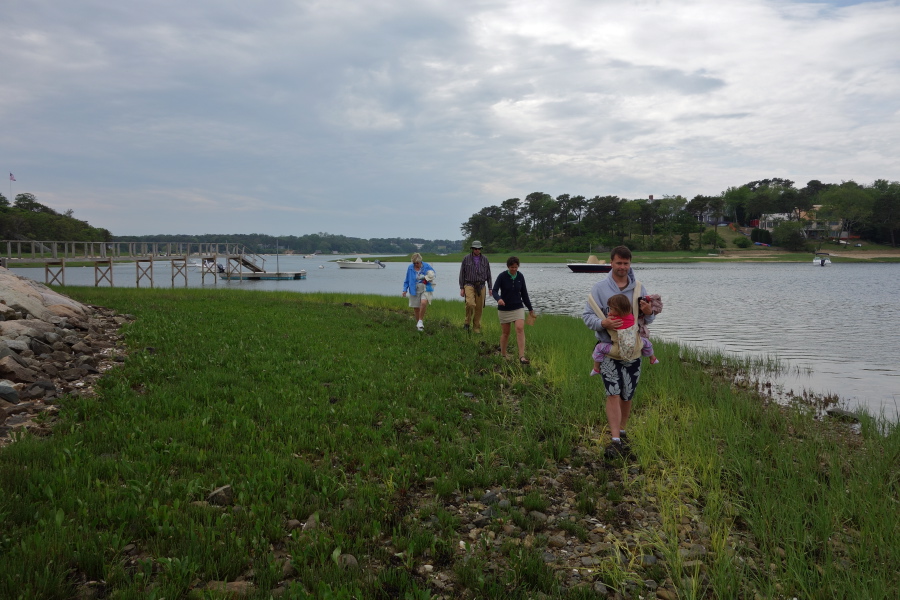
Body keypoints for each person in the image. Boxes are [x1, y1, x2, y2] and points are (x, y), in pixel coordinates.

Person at [582, 246, 657, 460]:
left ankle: (622, 431)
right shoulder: (599, 289)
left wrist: (649, 313)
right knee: (612, 393)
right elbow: (587, 317)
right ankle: (615, 439)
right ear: (611, 264)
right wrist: (602, 322)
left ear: (629, 264)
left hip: (633, 351)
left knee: (628, 394)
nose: (622, 267)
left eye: (626, 263)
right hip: (608, 350)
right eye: (618, 263)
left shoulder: (640, 289)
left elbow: (647, 320)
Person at [590, 293, 658, 376]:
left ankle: (596, 368)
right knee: (646, 342)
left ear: (618, 310)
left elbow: (609, 325)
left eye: (611, 309)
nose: (609, 311)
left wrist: (608, 319)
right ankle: (652, 358)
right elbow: (623, 317)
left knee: (599, 348)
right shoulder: (631, 317)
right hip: (636, 346)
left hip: (618, 350)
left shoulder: (614, 321)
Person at [492, 256, 536, 364]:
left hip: (518, 307)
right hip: (504, 308)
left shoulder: (520, 276)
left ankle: (521, 356)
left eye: (516, 267)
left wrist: (530, 308)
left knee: (520, 328)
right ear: (508, 267)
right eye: (512, 267)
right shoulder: (502, 276)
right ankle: (503, 354)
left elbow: (524, 294)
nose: (514, 269)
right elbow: (494, 291)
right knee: (506, 333)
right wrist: (499, 299)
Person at [458, 240, 492, 333]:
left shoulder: (485, 259)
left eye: (478, 249)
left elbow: (488, 274)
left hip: (481, 285)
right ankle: (467, 322)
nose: (477, 250)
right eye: (475, 249)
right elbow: (462, 274)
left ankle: (476, 327)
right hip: (469, 284)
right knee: (470, 303)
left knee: (479, 307)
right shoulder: (466, 259)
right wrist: (462, 288)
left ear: (481, 249)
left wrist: (490, 287)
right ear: (472, 249)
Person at [402, 253, 435, 331]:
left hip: (425, 287)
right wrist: (404, 290)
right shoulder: (410, 268)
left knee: (423, 303)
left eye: (417, 263)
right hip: (414, 288)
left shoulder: (426, 266)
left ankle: (420, 321)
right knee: (416, 308)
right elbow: (407, 280)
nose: (416, 264)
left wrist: (426, 277)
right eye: (414, 263)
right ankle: (419, 325)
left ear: (420, 261)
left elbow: (434, 274)